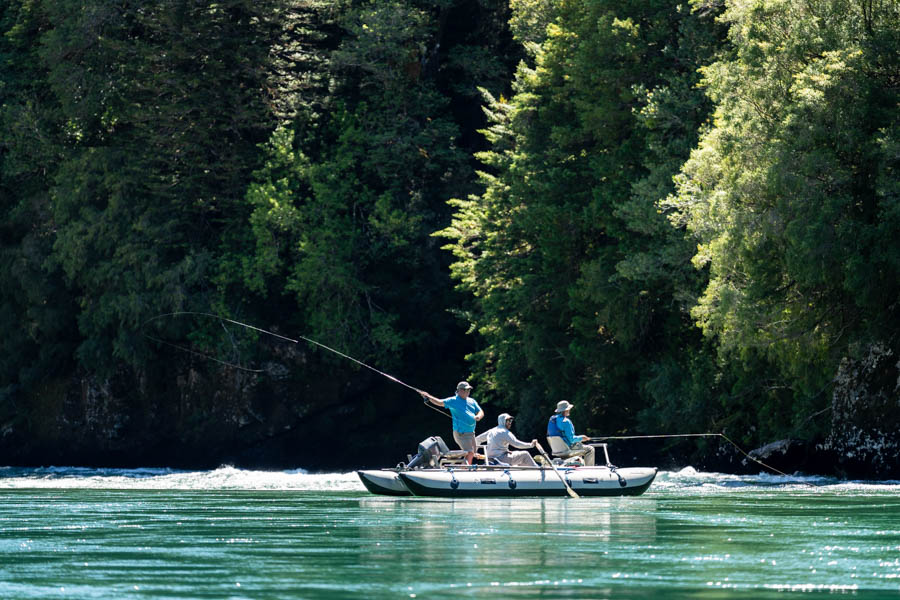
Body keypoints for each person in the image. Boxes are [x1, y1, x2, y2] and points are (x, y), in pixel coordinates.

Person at [421, 381, 484, 464]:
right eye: (466, 390)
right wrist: (429, 397)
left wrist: (478, 416)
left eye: (469, 390)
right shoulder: (453, 400)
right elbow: (439, 402)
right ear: (459, 390)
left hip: (471, 433)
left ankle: (464, 469)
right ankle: (465, 470)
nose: (468, 392)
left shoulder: (472, 401)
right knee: (470, 452)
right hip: (461, 433)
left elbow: (481, 412)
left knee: (472, 453)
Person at [546, 400, 595, 466]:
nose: (569, 410)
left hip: (557, 450)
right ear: (565, 410)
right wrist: (582, 437)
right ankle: (589, 470)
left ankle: (579, 466)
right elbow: (571, 439)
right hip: (567, 449)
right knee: (590, 449)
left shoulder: (552, 420)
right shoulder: (566, 421)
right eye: (568, 409)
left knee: (579, 446)